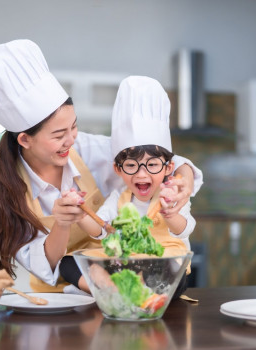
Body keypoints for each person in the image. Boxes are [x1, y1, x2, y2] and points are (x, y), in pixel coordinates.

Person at [0, 39, 203, 293]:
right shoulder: (0, 190)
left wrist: (184, 181)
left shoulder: (86, 148)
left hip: (117, 286)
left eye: (74, 126)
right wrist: (64, 223)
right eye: (58, 135)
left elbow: (152, 156)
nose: (71, 140)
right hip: (58, 301)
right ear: (25, 139)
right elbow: (44, 265)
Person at [60, 76, 195, 297]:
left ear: (169, 167)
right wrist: (80, 214)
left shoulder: (172, 195)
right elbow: (101, 231)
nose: (142, 174)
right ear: (118, 169)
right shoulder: (118, 198)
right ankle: (116, 287)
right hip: (125, 261)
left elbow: (185, 229)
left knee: (175, 276)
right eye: (131, 166)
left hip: (163, 262)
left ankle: (127, 288)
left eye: (152, 165)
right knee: (68, 263)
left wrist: (171, 213)